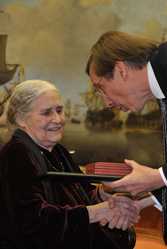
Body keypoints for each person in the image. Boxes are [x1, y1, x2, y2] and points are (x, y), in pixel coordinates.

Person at [0, 80, 138, 249]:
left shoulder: (58, 151)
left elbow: (82, 193)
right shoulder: (16, 155)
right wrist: (97, 212)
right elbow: (32, 222)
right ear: (21, 118)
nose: (57, 119)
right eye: (46, 113)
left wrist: (105, 198)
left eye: (59, 110)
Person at [86, 30, 167, 218]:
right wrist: (140, 203)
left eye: (101, 88)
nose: (107, 103)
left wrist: (156, 177)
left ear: (121, 70)